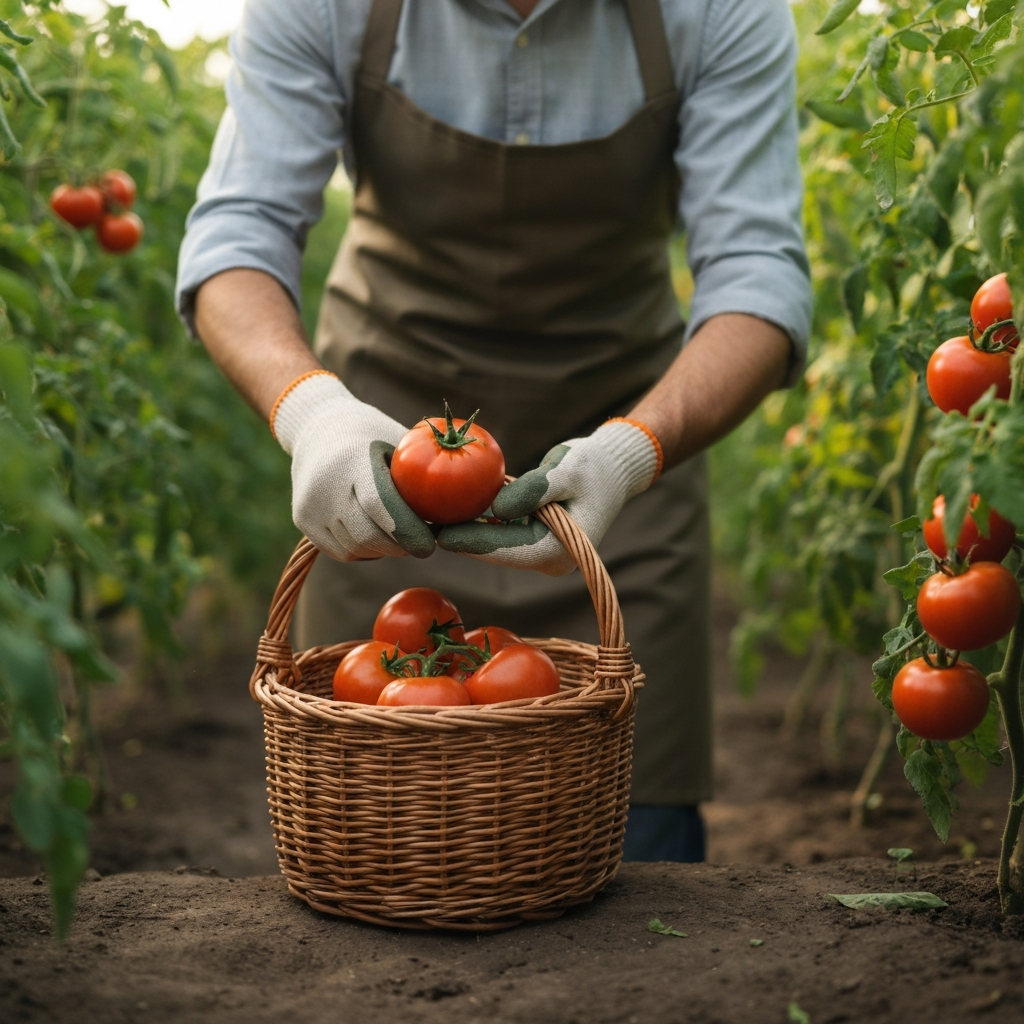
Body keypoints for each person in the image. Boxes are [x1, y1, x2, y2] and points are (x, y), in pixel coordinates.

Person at [176, 0, 811, 863]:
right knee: (377, 839)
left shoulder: (719, 11)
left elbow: (758, 274)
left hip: (628, 462)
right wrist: (314, 412)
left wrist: (633, 451)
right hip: (386, 485)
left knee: (636, 849)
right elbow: (237, 233)